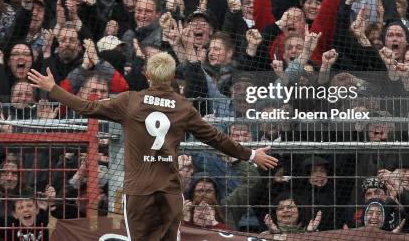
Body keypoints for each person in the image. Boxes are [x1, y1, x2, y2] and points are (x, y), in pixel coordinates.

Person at [28, 52, 277, 240]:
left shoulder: (130, 101)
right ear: (170, 78)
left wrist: (53, 88)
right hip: (169, 190)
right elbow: (216, 138)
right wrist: (252, 154)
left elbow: (86, 107)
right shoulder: (183, 107)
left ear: (147, 75)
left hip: (138, 191)